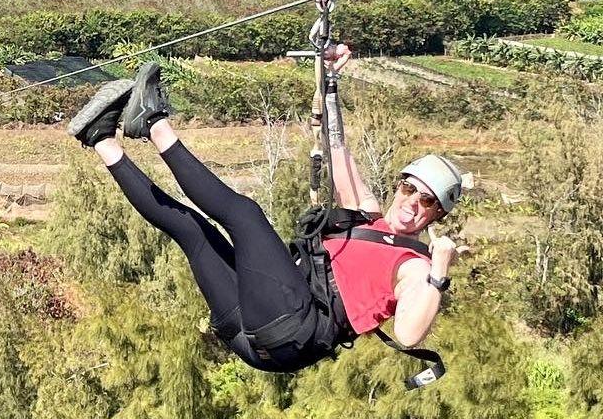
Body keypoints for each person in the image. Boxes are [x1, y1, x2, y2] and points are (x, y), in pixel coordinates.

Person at [68, 49, 459, 374]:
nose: (412, 204)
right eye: (410, 189)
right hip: (255, 338)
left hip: (293, 327)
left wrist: (439, 270)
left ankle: (153, 122)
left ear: (437, 215)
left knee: (245, 215)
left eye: (427, 202)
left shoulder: (414, 266)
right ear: (399, 185)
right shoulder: (366, 214)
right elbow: (337, 145)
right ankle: (101, 137)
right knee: (193, 231)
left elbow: (408, 335)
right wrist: (330, 81)